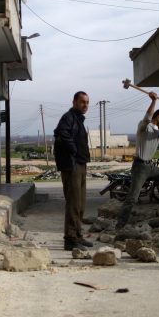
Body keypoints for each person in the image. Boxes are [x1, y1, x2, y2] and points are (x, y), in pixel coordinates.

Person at [116, 92, 159, 230]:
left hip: (150, 167)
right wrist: (153, 101)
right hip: (140, 166)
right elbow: (147, 119)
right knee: (133, 197)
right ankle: (120, 225)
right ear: (157, 117)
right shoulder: (144, 127)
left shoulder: (158, 132)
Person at [54, 91, 93, 251]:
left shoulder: (78, 119)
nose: (85, 105)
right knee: (73, 203)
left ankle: (78, 235)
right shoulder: (68, 117)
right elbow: (62, 133)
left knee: (81, 203)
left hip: (80, 164)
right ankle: (70, 239)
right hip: (72, 165)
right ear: (74, 102)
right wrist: (74, 151)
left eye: (87, 102)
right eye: (82, 102)